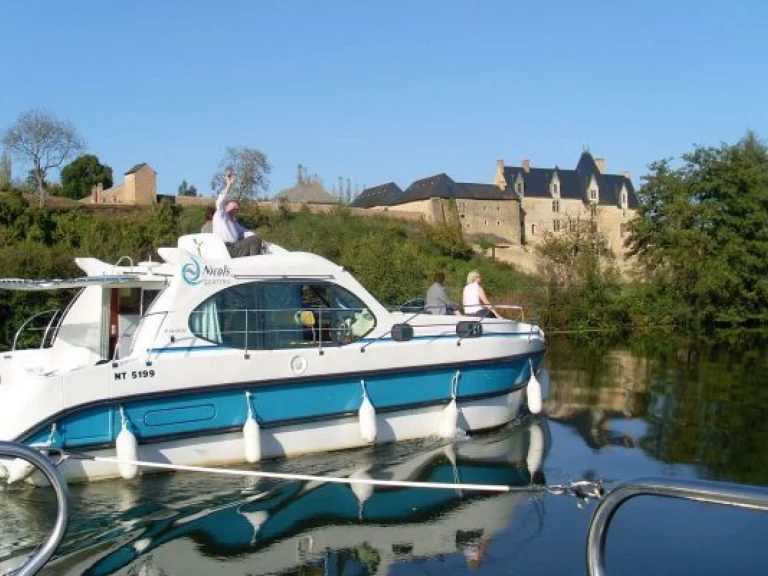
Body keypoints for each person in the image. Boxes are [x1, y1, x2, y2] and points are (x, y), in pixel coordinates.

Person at [212, 172, 264, 257]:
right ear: (226, 206)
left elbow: (245, 232)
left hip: (234, 247)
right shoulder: (220, 214)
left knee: (256, 240)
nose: (233, 209)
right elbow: (220, 201)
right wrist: (229, 185)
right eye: (232, 206)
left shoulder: (233, 223)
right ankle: (254, 263)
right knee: (255, 240)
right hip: (225, 248)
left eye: (236, 209)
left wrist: (260, 239)